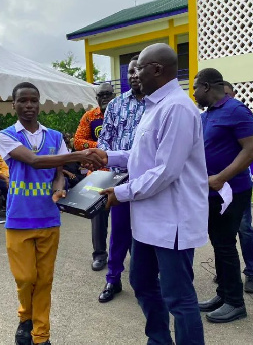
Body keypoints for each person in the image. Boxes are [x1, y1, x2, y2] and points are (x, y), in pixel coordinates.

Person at [90, 43, 208, 344]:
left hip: (173, 221)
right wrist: (108, 157)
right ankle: (158, 339)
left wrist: (121, 192)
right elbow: (142, 157)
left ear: (157, 69)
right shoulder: (154, 107)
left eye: (139, 67)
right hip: (147, 220)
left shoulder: (178, 108)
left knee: (179, 297)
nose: (134, 73)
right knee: (141, 281)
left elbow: (166, 170)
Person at [0, 82, 103, 345]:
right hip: (19, 218)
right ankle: (25, 317)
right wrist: (78, 154)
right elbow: (34, 161)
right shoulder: (6, 135)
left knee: (44, 280)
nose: (28, 105)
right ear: (14, 104)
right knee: (25, 278)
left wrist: (59, 188)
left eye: (33, 100)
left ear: (39, 103)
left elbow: (58, 171)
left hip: (48, 218)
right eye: (23, 100)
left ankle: (40, 335)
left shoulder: (54, 137)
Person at [194, 69, 253, 323]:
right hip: (211, 191)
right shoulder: (208, 114)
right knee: (220, 244)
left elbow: (251, 149)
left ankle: (235, 302)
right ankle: (223, 294)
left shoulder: (236, 110)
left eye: (195, 88)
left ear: (207, 86)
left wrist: (221, 177)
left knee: (225, 245)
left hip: (231, 191)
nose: (195, 94)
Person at [95, 55, 146, 303]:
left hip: (150, 180)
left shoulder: (158, 104)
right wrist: (108, 162)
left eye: (139, 70)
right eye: (130, 71)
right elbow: (104, 139)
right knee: (119, 233)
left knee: (148, 232)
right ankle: (113, 279)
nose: (134, 75)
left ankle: (146, 281)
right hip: (120, 180)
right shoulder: (115, 105)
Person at [222, 80, 253, 294]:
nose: (223, 99)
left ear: (234, 93)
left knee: (244, 228)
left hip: (239, 184)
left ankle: (251, 273)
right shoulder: (208, 117)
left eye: (227, 94)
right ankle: (225, 271)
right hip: (216, 185)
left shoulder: (243, 114)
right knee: (222, 231)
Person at [74, 82, 115, 271]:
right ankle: (99, 255)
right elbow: (78, 141)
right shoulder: (90, 117)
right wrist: (100, 147)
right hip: (98, 175)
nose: (105, 97)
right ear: (96, 98)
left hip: (123, 173)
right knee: (98, 218)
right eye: (101, 95)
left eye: (108, 94)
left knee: (125, 219)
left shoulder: (122, 113)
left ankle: (125, 253)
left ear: (114, 95)